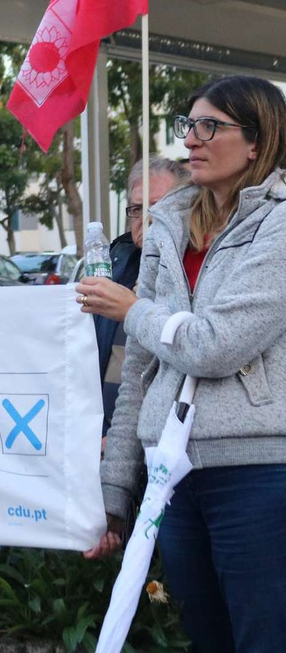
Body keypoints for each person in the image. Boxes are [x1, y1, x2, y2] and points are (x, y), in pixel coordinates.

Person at [79, 75, 286, 652]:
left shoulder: (281, 225)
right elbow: (140, 373)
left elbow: (216, 344)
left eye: (209, 126)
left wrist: (134, 309)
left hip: (260, 475)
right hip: (170, 478)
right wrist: (115, 491)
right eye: (187, 126)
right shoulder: (169, 224)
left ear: (256, 141)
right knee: (207, 641)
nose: (191, 139)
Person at [93, 157, 189, 439]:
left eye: (159, 207)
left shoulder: (198, 271)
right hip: (107, 439)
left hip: (168, 443)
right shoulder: (114, 267)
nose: (147, 218)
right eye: (137, 209)